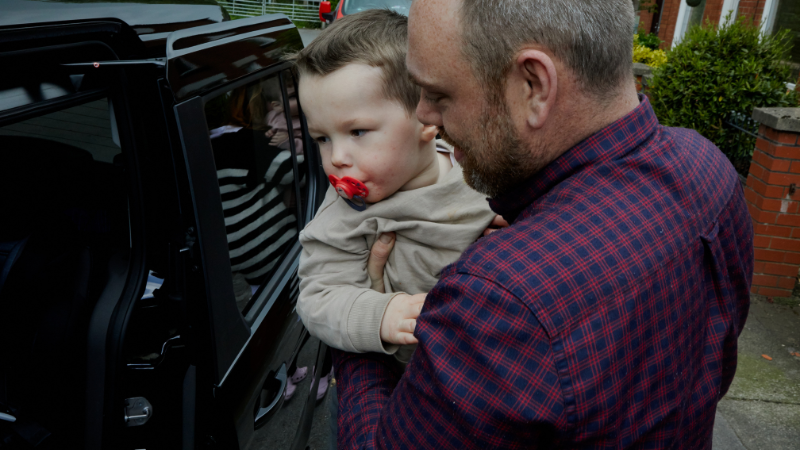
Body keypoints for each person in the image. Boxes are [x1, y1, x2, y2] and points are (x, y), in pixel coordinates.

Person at [332, 0, 754, 449]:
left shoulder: (498, 303)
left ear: (533, 85)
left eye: (438, 94)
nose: (423, 115)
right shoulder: (709, 170)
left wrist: (355, 316)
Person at [292, 9, 496, 366]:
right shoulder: (344, 215)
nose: (336, 157)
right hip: (423, 373)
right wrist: (381, 314)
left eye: (357, 132)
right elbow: (317, 297)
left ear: (426, 118)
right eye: (322, 138)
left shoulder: (482, 172)